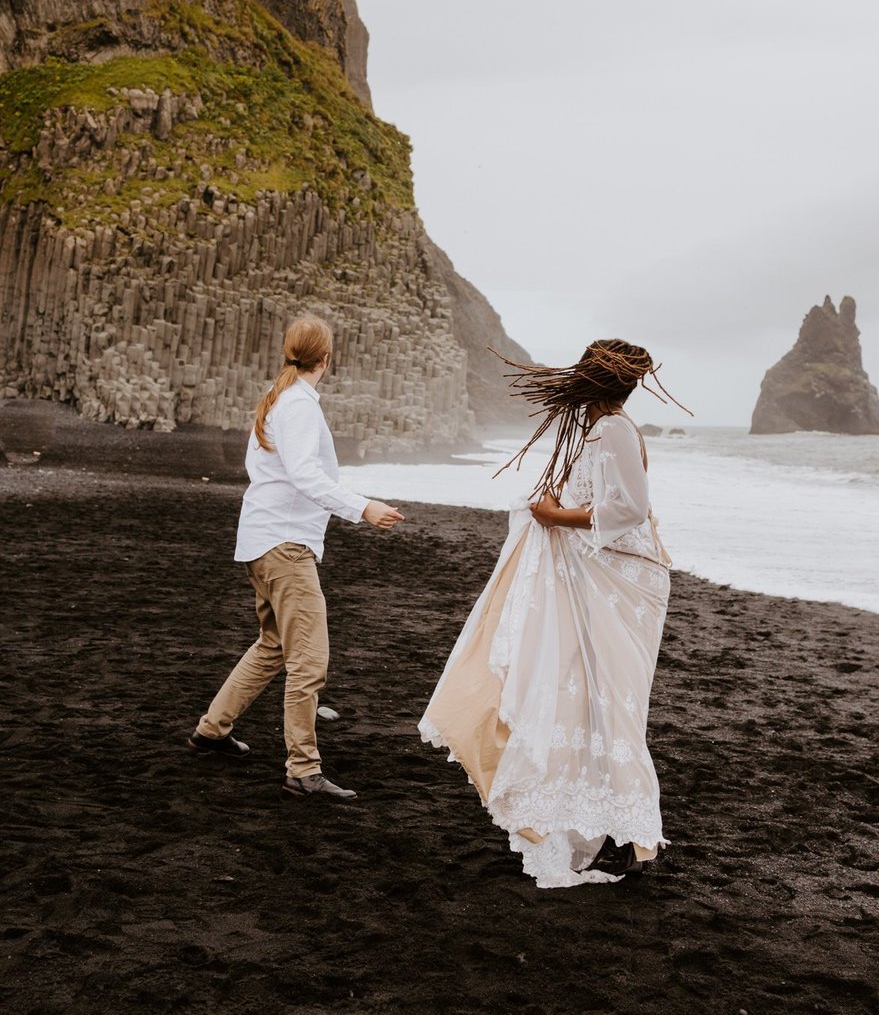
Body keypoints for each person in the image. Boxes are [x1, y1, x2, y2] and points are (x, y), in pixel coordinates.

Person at [418, 339, 689, 887]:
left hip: (621, 583)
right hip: (599, 576)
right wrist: (550, 509)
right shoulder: (598, 429)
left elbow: (630, 509)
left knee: (613, 705)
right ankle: (620, 831)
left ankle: (639, 839)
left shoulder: (613, 428)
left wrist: (556, 517)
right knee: (589, 699)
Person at [188, 315, 403, 798]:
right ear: (326, 359)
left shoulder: (277, 398)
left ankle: (211, 730)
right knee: (309, 662)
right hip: (284, 547)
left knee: (273, 646)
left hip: (262, 541)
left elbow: (275, 472)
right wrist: (363, 508)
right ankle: (303, 770)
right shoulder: (299, 405)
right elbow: (305, 476)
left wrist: (355, 501)